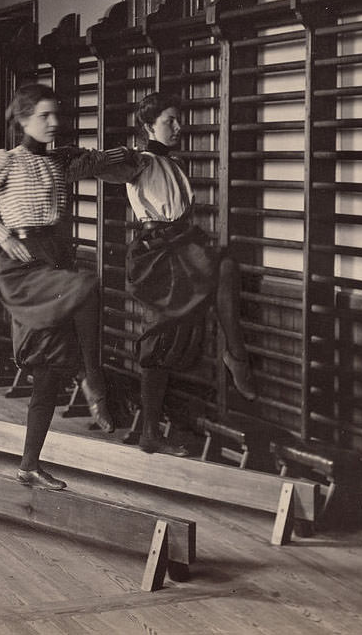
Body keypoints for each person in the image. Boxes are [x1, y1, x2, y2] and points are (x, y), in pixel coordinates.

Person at [0, 83, 126, 491]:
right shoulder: (5, 161)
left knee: (48, 374)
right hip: (24, 264)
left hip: (55, 258)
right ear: (23, 118)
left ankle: (29, 465)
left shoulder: (58, 161)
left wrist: (139, 153)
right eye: (44, 115)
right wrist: (2, 236)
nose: (54, 122)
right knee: (87, 284)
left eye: (55, 114)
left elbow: (103, 161)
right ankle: (91, 376)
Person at [119, 93, 257, 456]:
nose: (178, 127)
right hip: (160, 253)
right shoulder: (142, 161)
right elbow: (113, 167)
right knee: (159, 336)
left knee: (222, 272)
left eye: (178, 120)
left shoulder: (172, 163)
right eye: (169, 121)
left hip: (181, 245)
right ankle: (235, 357)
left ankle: (234, 355)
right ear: (149, 126)